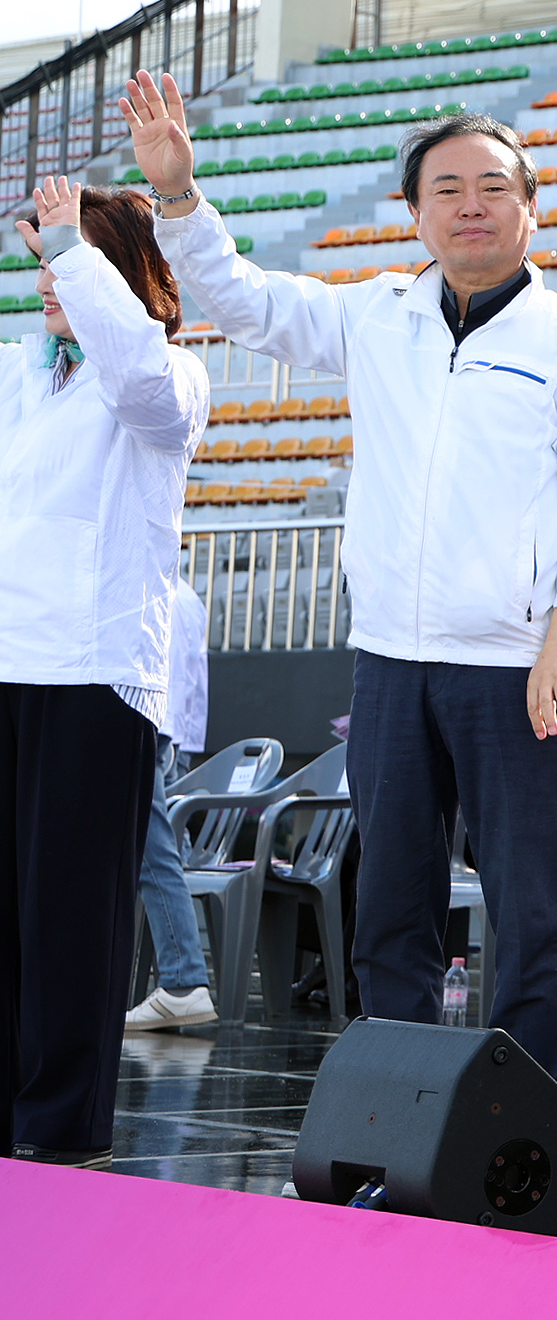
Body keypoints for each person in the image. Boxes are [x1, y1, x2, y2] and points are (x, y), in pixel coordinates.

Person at [136, 75, 557, 1083]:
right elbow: (241, 301)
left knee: (532, 907)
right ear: (415, 213)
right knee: (392, 909)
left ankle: (527, 1123)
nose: (469, 205)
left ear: (530, 207)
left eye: (492, 186)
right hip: (393, 667)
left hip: (517, 670)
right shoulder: (380, 314)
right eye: (445, 188)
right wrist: (181, 197)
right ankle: (393, 1109)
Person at [1, 175, 207, 1165]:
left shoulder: (169, 377)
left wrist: (77, 260)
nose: (49, 274)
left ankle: (58, 1125)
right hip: (9, 663)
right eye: (43, 256)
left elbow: (135, 378)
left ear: (122, 270)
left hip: (94, 673)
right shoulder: (24, 376)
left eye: (73, 255)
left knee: (71, 915)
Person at [128, 572, 218, 1032]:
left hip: (149, 721)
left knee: (154, 858)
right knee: (154, 856)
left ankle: (183, 980)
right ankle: (180, 978)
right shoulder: (188, 598)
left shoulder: (152, 590)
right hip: (171, 731)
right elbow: (195, 681)